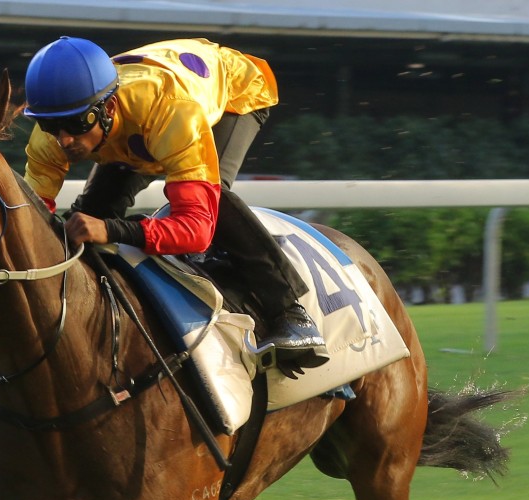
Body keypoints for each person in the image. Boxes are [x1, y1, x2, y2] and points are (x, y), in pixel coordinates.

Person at [22, 36, 328, 373]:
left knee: (216, 203)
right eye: (51, 126)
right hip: (134, 123)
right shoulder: (53, 136)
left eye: (77, 125)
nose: (64, 140)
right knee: (84, 221)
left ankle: (290, 313)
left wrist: (110, 229)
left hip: (233, 95)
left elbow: (196, 230)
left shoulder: (169, 111)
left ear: (107, 109)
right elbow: (30, 220)